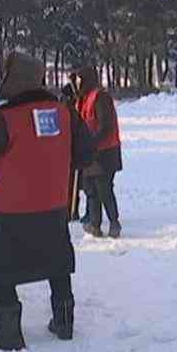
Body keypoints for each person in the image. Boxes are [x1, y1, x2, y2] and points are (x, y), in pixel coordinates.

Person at [0, 52, 93, 351]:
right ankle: (64, 321)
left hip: (13, 211)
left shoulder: (2, 118)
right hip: (54, 208)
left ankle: (9, 332)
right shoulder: (64, 112)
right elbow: (84, 154)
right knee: (57, 263)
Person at [74, 65, 123, 238]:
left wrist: (91, 143)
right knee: (90, 189)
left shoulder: (100, 97)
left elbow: (106, 126)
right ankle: (94, 224)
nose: (77, 84)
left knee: (104, 189)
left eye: (80, 80)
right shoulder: (83, 98)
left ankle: (114, 222)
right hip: (90, 153)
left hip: (104, 152)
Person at [60, 79, 83, 222]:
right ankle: (70, 210)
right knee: (70, 184)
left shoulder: (71, 108)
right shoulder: (68, 109)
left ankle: (71, 210)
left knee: (72, 184)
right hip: (69, 151)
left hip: (71, 151)